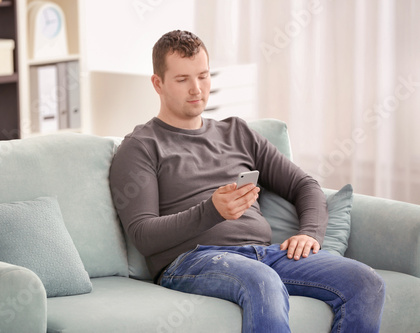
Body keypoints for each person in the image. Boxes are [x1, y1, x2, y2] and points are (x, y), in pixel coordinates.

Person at [109, 30, 385, 332]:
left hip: (265, 254)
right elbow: (143, 235)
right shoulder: (140, 146)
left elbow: (304, 186)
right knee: (262, 281)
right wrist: (212, 211)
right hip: (193, 261)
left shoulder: (237, 133)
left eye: (203, 76)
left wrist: (311, 233)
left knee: (366, 282)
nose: (197, 89)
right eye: (182, 79)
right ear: (157, 83)